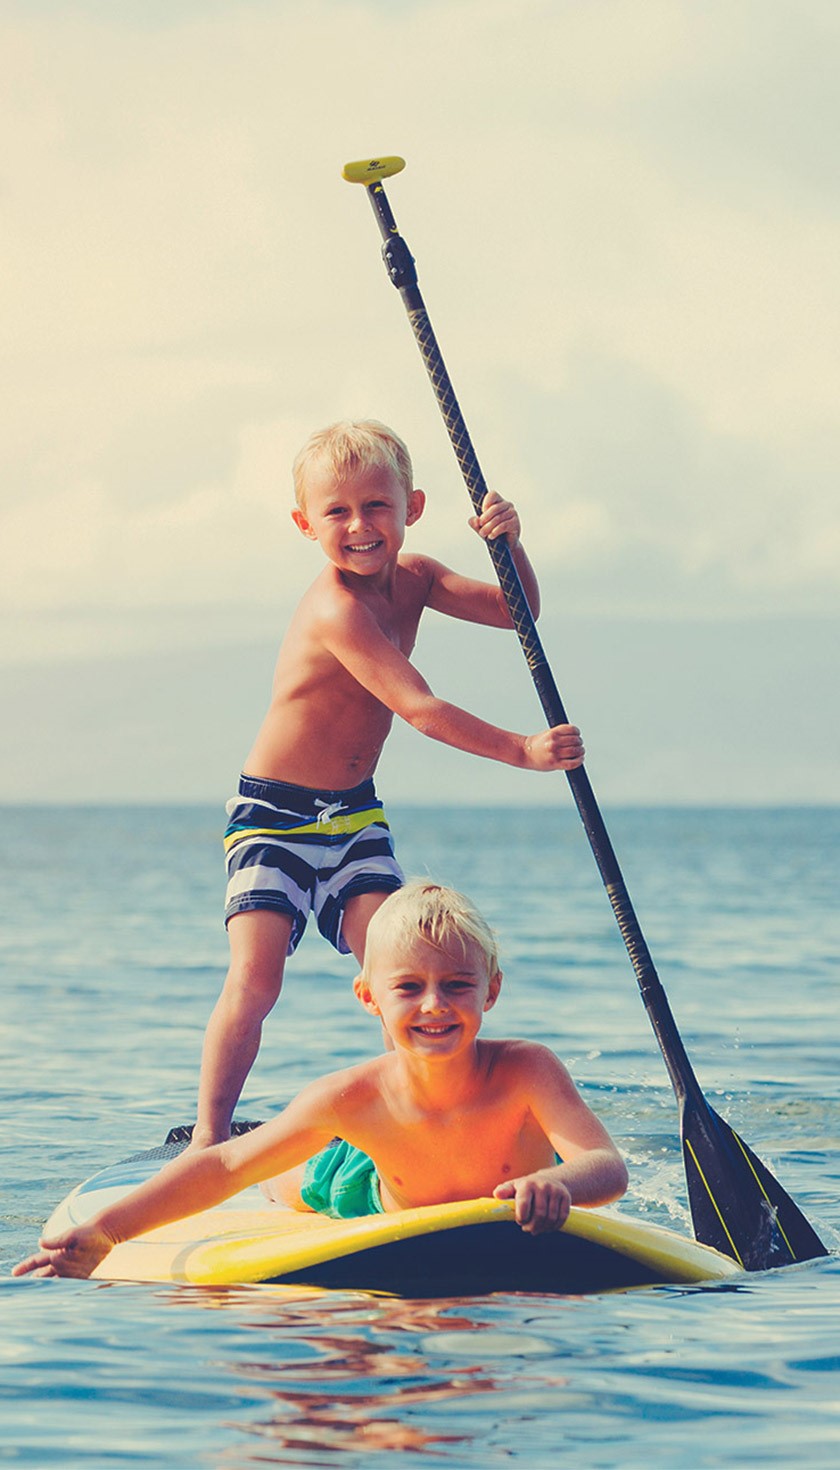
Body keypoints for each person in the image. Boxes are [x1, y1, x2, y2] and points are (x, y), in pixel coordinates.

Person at [194, 419, 585, 1149]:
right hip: (273, 817)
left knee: (398, 970)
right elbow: (419, 708)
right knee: (258, 978)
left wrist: (509, 546)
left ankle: (415, 1120)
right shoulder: (335, 608)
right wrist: (523, 751)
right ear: (305, 524)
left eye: (377, 506)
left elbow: (518, 612)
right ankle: (208, 1139)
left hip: (353, 817)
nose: (360, 526)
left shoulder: (419, 579)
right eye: (336, 511)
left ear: (414, 507)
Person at [13, 883, 628, 1279]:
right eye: (408, 987)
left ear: (490, 990)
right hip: (366, 1190)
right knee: (289, 1176)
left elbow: (605, 1166)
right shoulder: (354, 1096)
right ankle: (277, 1137)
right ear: (369, 997)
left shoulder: (528, 1069)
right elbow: (227, 1171)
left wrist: (556, 1183)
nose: (434, 1005)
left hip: (496, 1201)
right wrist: (108, 1231)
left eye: (457, 985)